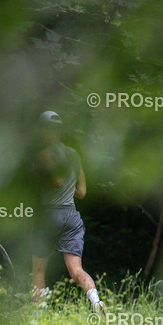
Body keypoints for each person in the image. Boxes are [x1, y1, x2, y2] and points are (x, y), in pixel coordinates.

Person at [29, 111, 103, 312]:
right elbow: (81, 191)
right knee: (77, 270)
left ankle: (36, 318)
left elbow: (57, 181)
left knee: (38, 271)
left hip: (50, 215)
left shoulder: (42, 154)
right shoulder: (73, 154)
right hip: (72, 216)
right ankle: (96, 301)